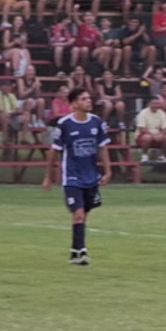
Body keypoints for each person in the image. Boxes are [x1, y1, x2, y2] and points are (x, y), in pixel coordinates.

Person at [42, 88, 111, 266]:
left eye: (89, 98)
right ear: (74, 104)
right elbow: (53, 153)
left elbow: (102, 148)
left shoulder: (96, 122)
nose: (89, 101)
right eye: (84, 99)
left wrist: (108, 171)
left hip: (91, 176)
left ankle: (74, 252)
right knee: (78, 213)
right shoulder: (65, 124)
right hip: (72, 177)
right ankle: (82, 252)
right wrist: (48, 177)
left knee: (84, 215)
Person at [135, 97, 166, 164]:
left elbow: (165, 127)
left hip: (158, 135)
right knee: (147, 137)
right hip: (144, 136)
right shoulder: (143, 113)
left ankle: (161, 155)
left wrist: (161, 135)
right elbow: (142, 128)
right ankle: (144, 155)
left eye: (158, 104)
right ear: (149, 104)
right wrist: (153, 136)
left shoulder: (162, 113)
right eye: (154, 104)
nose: (156, 105)